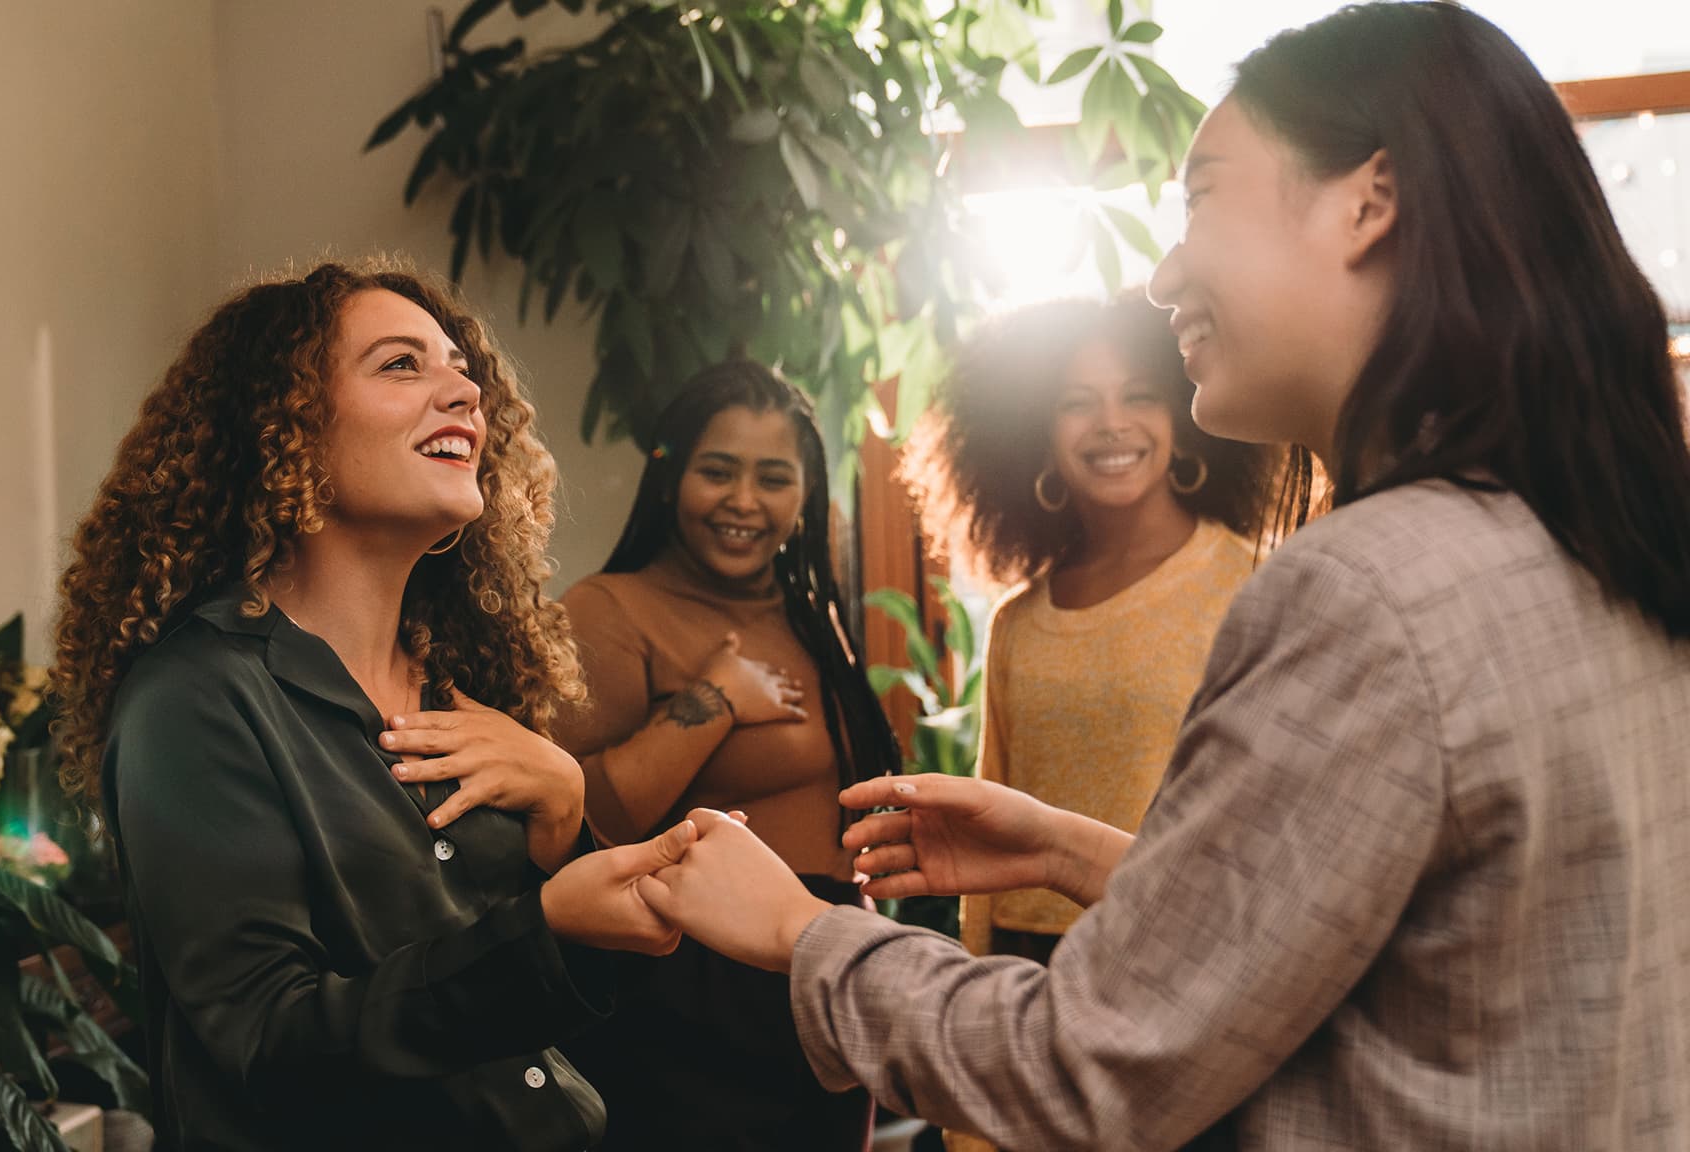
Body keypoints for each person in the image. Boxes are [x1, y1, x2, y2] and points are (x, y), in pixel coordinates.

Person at [637, 4, 1690, 1148]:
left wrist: (798, 931)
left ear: (1368, 202)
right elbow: (1401, 961)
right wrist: (1067, 847)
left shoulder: (1363, 591)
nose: (1161, 275)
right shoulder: (1589, 539)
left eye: (1202, 198)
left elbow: (1090, 1069)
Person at [51, 260, 697, 1151]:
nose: (465, 391)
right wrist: (543, 931)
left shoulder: (462, 684)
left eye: (461, 370)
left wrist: (563, 814)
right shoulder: (194, 701)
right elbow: (269, 1044)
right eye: (401, 365)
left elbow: (565, 1019)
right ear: (285, 426)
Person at [520, 360, 898, 1150]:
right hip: (687, 995)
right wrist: (714, 699)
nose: (744, 501)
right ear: (670, 477)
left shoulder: (812, 615)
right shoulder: (609, 608)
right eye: (718, 471)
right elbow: (575, 821)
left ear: (806, 494)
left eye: (774, 478)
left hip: (822, 972)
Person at [899, 293, 1278, 977]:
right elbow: (992, 823)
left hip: (1185, 954)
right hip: (1030, 962)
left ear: (1182, 415)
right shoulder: (1019, 623)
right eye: (1078, 403)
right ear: (1035, 433)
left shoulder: (1253, 583)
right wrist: (979, 971)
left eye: (1139, 396)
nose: (1111, 424)